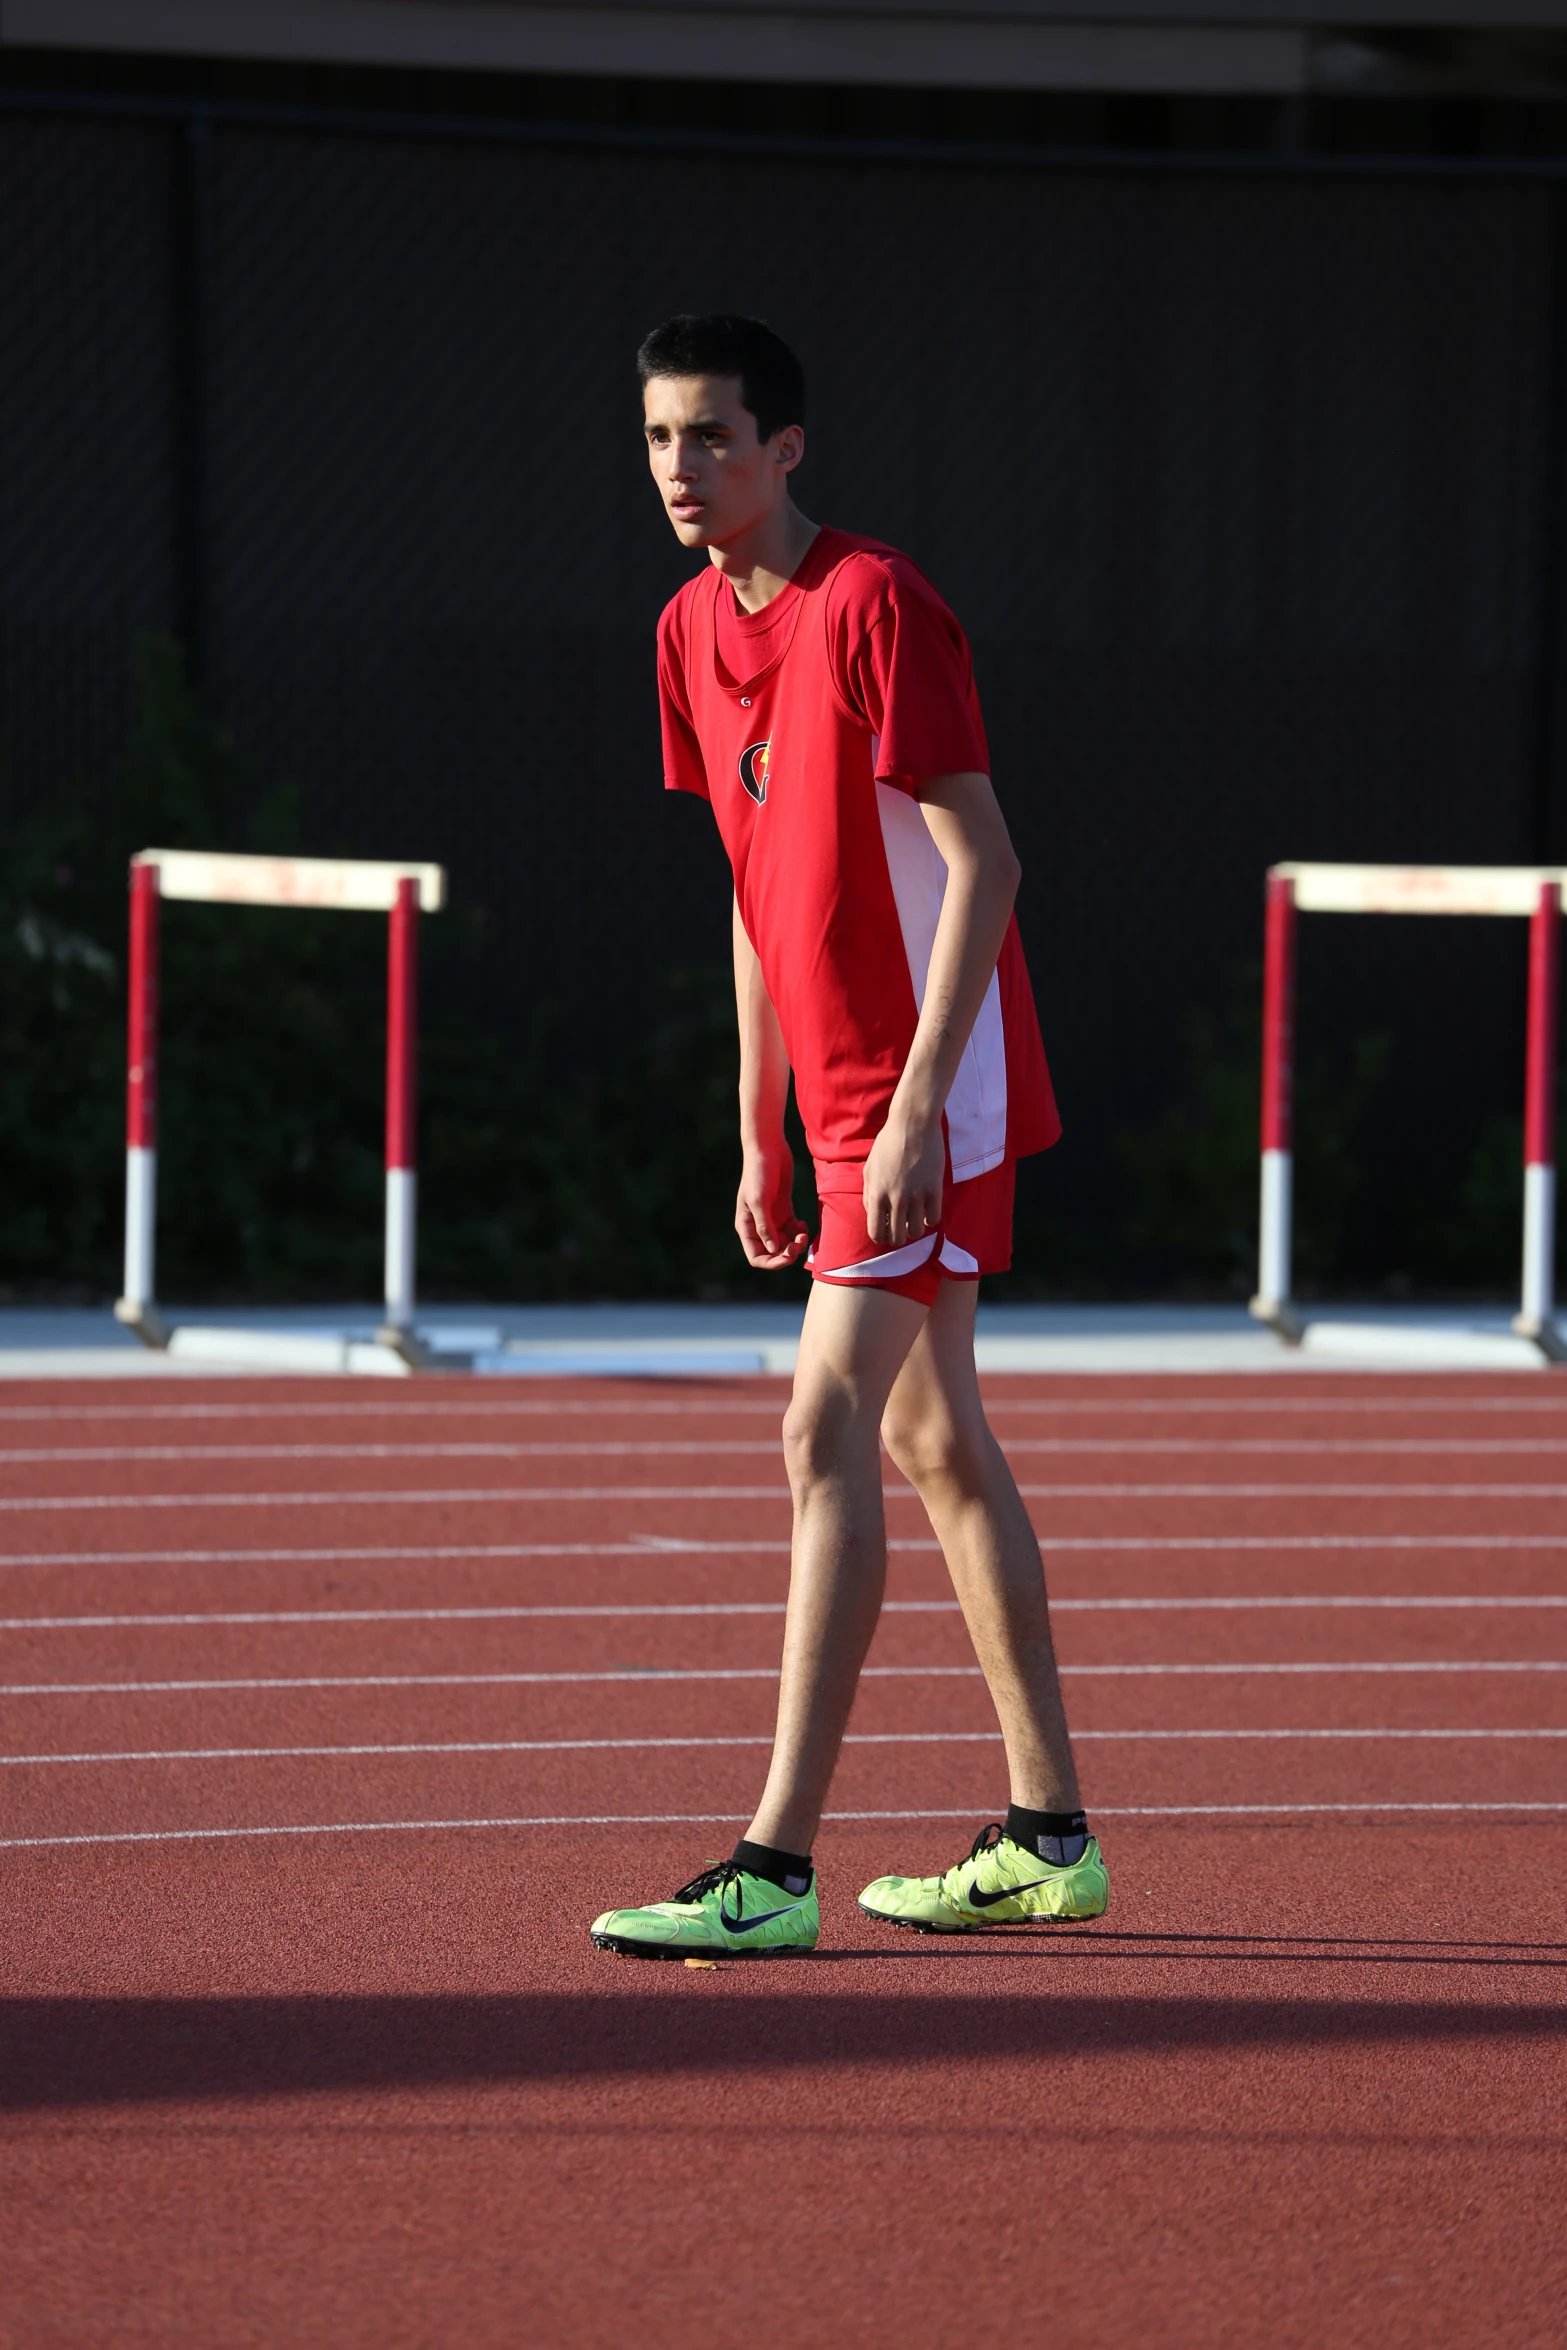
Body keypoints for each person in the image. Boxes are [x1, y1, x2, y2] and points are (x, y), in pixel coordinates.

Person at [590, 313, 1108, 1958]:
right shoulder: (684, 629)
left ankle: (771, 1865)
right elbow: (753, 891)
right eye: (664, 436)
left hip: (920, 1081)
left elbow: (987, 865)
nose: (685, 467)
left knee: (822, 1426)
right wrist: (760, 1123)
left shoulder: (876, 604)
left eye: (715, 438)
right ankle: (1046, 1834)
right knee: (931, 1439)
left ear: (785, 448)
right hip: (825, 1096)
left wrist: (904, 1110)